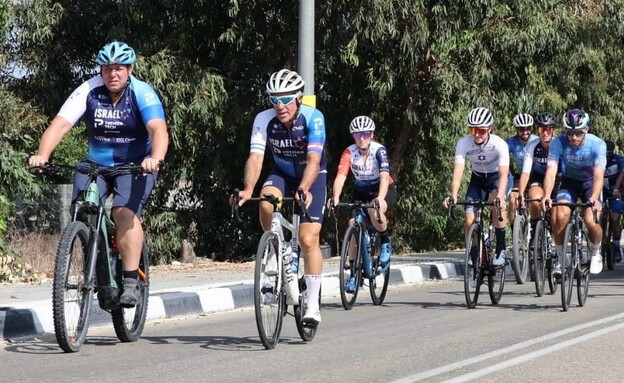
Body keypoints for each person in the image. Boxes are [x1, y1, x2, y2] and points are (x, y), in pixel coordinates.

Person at [28, 41, 168, 306]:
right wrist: (43, 154)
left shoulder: (141, 92)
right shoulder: (89, 90)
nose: (112, 74)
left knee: (123, 212)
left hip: (135, 165)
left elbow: (158, 129)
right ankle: (96, 264)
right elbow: (59, 125)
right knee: (82, 208)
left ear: (130, 70)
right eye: (107, 69)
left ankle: (129, 279)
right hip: (96, 163)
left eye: (118, 69)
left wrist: (155, 158)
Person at [236, 69, 327, 325]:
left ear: (298, 98)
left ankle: (311, 303)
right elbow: (256, 158)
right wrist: (247, 189)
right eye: (274, 99)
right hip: (283, 173)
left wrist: (305, 187)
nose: (279, 105)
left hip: (313, 175)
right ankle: (274, 251)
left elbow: (314, 159)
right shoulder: (264, 119)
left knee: (308, 239)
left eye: (286, 99)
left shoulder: (313, 117)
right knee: (266, 201)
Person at [329, 115, 397, 292]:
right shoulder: (349, 152)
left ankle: (384, 242)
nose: (362, 138)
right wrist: (335, 197)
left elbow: (383, 177)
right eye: (357, 135)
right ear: (353, 136)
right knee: (353, 227)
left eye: (365, 134)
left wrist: (380, 198)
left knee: (376, 210)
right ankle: (353, 274)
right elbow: (341, 176)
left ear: (372, 134)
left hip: (382, 189)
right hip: (360, 191)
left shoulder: (379, 150)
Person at [443, 107, 512, 273]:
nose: (477, 134)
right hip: (478, 179)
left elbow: (503, 174)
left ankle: (501, 250)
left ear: (489, 129)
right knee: (469, 221)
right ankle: (475, 259)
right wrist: (453, 194)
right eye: (473, 129)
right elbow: (458, 170)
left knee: (496, 204)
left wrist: (501, 197)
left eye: (481, 130)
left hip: (498, 178)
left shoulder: (499, 144)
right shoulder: (464, 143)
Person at [542, 109, 606, 275]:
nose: (574, 137)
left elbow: (599, 174)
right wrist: (547, 195)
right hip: (569, 182)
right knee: (559, 215)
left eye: (578, 133)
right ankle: (561, 257)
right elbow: (551, 170)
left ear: (586, 129)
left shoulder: (597, 144)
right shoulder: (558, 143)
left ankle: (595, 250)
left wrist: (594, 197)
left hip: (590, 184)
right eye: (570, 133)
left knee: (591, 219)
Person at [518, 112, 558, 240]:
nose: (545, 132)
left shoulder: (559, 145)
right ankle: (535, 231)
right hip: (538, 177)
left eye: (548, 129)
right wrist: (520, 193)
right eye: (542, 129)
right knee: (534, 199)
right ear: (538, 130)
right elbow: (525, 172)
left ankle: (552, 238)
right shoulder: (532, 145)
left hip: (558, 179)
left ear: (553, 130)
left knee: (555, 216)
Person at [507, 113, 538, 223]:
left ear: (531, 128)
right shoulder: (511, 142)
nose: (525, 133)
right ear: (517, 129)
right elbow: (504, 159)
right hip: (519, 175)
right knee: (512, 199)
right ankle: (513, 229)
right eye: (521, 130)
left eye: (528, 129)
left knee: (534, 199)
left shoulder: (537, 141)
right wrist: (510, 171)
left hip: (535, 175)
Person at [603, 140, 624, 262]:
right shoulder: (598, 158)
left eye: (609, 153)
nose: (607, 156)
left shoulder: (618, 160)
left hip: (616, 191)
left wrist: (617, 189)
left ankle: (616, 246)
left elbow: (623, 172)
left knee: (615, 217)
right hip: (603, 191)